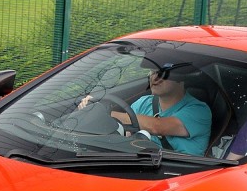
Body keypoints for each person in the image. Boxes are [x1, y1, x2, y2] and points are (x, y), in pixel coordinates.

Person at [80, 65, 212, 154]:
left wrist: (104, 111)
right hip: (139, 167)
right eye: (153, 72)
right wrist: (92, 109)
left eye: (162, 74)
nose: (155, 78)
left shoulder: (199, 110)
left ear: (181, 79)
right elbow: (126, 133)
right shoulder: (144, 102)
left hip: (181, 177)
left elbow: (158, 127)